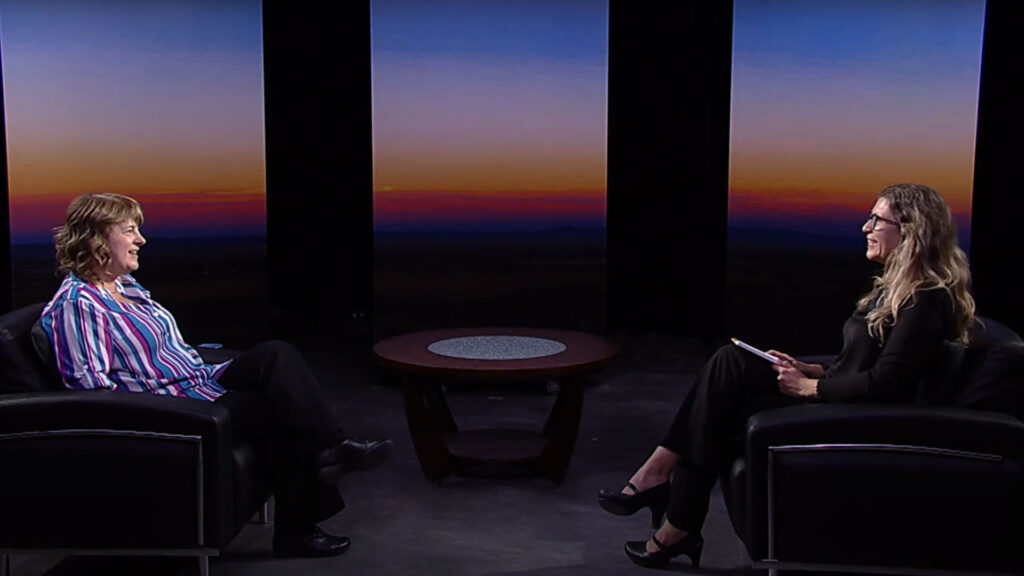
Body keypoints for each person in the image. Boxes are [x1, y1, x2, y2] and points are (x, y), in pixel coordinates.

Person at [597, 183, 975, 569]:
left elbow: (888, 384)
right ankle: (669, 505)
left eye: (876, 219)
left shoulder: (926, 298)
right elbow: (868, 363)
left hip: (861, 419)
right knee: (730, 363)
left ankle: (666, 500)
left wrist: (812, 388)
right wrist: (816, 369)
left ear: (911, 230)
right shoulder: (898, 290)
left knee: (721, 403)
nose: (865, 227)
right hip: (844, 399)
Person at [39, 192, 393, 559]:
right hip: (175, 406)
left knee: (276, 354)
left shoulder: (126, 289)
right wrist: (151, 406)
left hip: (199, 380)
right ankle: (301, 521)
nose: (140, 240)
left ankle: (330, 449)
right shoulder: (78, 305)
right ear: (97, 238)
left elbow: (165, 350)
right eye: (130, 231)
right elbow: (91, 390)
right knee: (276, 412)